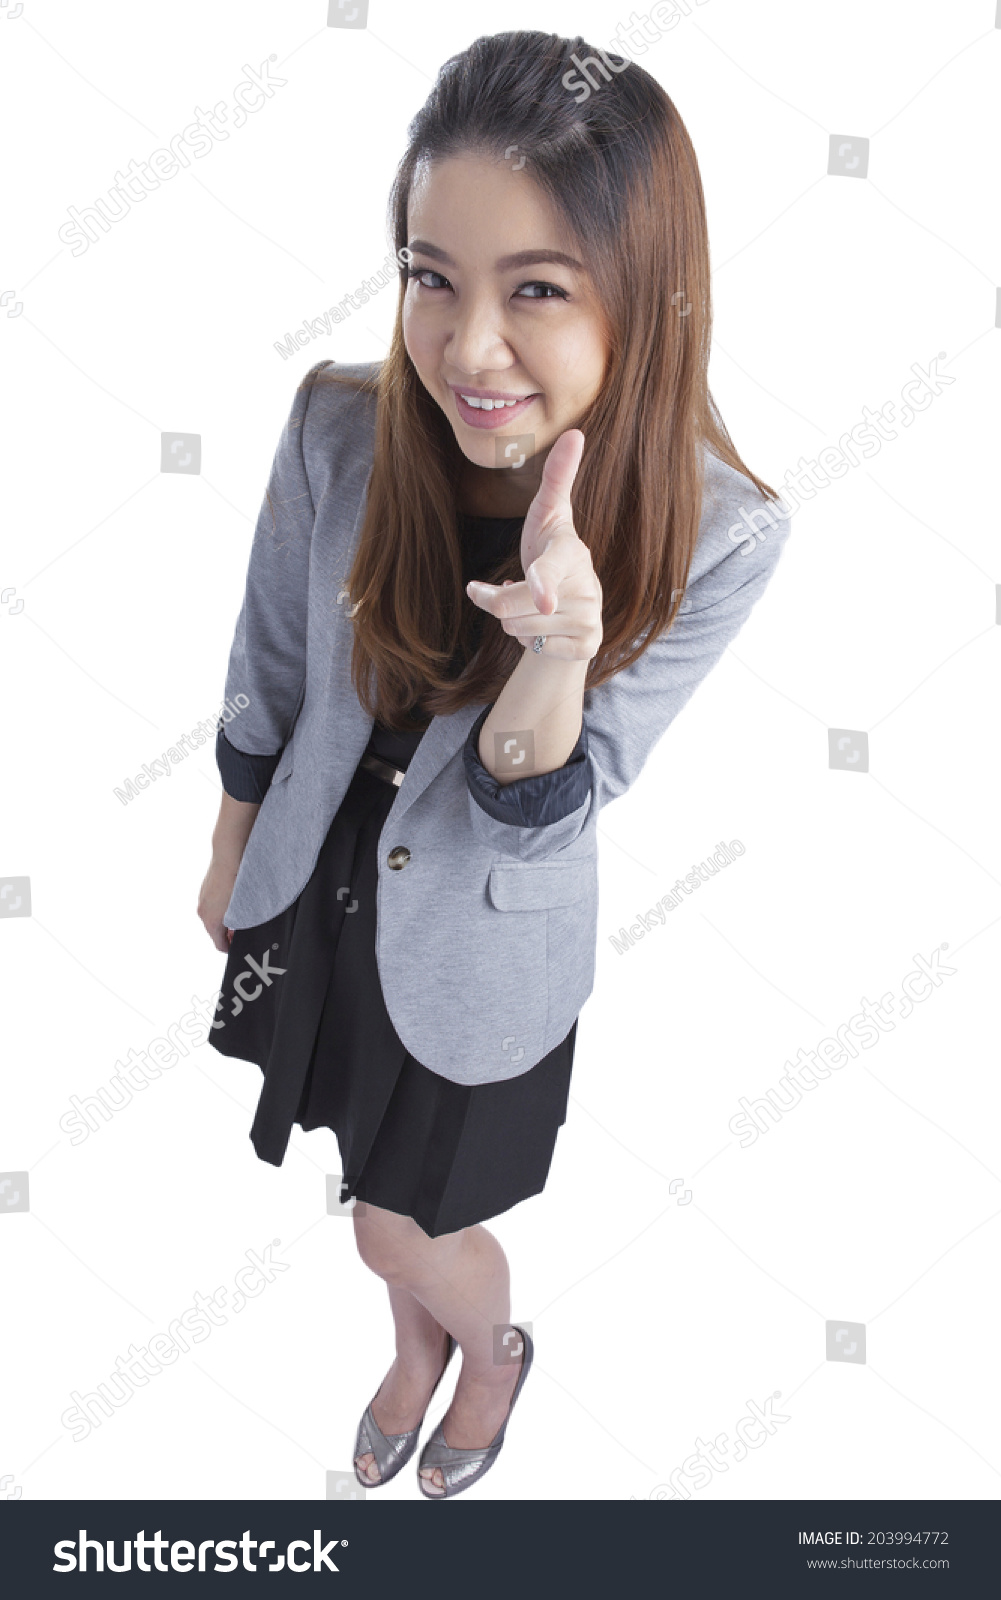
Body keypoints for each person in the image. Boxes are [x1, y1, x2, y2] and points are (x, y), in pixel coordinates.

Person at [197, 30, 793, 1500]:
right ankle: (416, 1357)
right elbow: (271, 662)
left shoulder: (721, 532)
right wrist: (228, 851)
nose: (468, 349)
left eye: (535, 288)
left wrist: (555, 650)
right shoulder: (339, 427)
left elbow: (552, 805)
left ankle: (492, 1348)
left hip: (478, 942)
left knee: (401, 1219)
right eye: (431, 277)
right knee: (362, 1169)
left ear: (642, 297)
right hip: (320, 880)